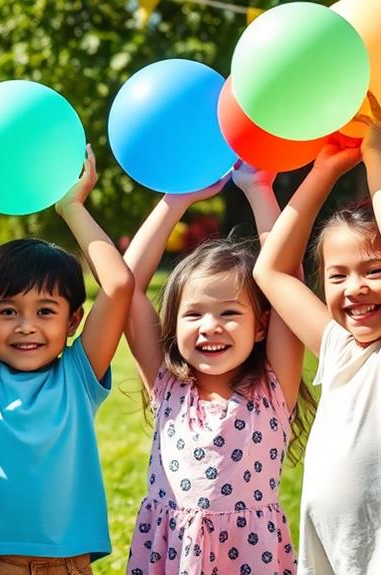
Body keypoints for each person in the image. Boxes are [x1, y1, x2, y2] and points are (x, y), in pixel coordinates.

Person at [253, 86, 381, 574]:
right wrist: (322, 171)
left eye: (374, 270)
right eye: (337, 275)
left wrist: (376, 154)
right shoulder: (338, 347)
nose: (354, 288)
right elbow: (271, 271)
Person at [0, 145, 134, 574]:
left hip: (67, 565)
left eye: (46, 311)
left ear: (74, 320)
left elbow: (118, 286)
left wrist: (72, 206)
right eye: (8, 311)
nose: (26, 326)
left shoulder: (79, 375)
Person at [123, 164, 311, 575]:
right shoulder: (167, 386)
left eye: (229, 312)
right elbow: (125, 286)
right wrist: (176, 199)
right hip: (171, 555)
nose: (210, 326)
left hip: (248, 557)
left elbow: (286, 278)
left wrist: (258, 188)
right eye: (194, 315)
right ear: (172, 325)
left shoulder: (273, 390)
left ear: (261, 326)